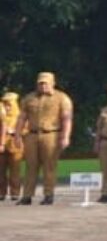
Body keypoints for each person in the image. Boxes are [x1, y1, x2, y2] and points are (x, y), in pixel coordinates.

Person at [18, 73, 71, 205]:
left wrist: (65, 136)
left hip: (51, 135)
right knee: (30, 166)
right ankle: (27, 196)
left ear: (53, 83)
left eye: (46, 83)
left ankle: (48, 195)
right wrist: (18, 135)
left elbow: (66, 119)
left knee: (49, 166)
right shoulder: (29, 98)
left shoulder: (61, 98)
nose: (43, 86)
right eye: (40, 83)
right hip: (32, 134)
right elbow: (22, 118)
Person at [1, 90, 22, 202]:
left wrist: (14, 131)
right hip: (1, 147)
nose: (6, 107)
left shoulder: (21, 116)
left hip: (15, 147)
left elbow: (27, 130)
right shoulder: (1, 116)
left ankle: (15, 193)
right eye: (5, 104)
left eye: (9, 104)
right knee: (1, 172)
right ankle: (1, 193)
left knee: (15, 172)